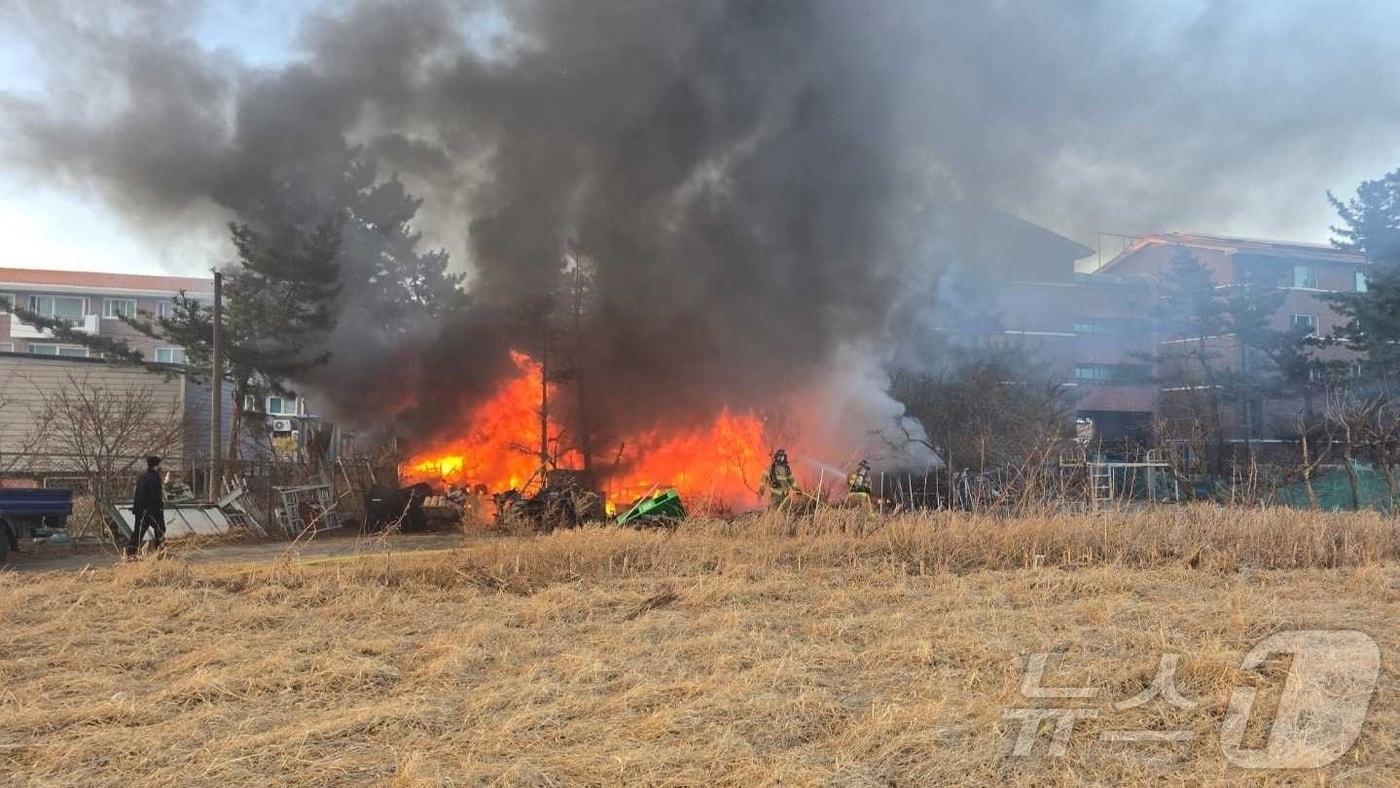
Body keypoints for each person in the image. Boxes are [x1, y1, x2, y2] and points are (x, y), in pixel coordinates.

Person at [128, 455, 165, 557]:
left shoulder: (142, 477)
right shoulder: (154, 479)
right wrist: (160, 507)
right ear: (156, 466)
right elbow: (155, 496)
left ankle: (129, 554)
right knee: (160, 530)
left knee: (138, 533)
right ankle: (160, 553)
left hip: (140, 510)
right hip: (151, 510)